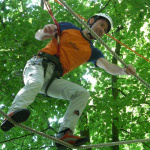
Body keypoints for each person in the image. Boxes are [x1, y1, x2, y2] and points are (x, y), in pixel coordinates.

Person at [1, 13, 136, 148]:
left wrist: (124, 71)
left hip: (53, 78)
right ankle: (13, 112)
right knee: (35, 82)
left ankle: (65, 133)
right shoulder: (69, 27)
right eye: (101, 24)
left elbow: (108, 66)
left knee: (82, 93)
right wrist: (45, 31)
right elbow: (39, 36)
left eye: (105, 30)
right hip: (39, 64)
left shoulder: (92, 52)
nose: (102, 30)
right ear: (91, 21)